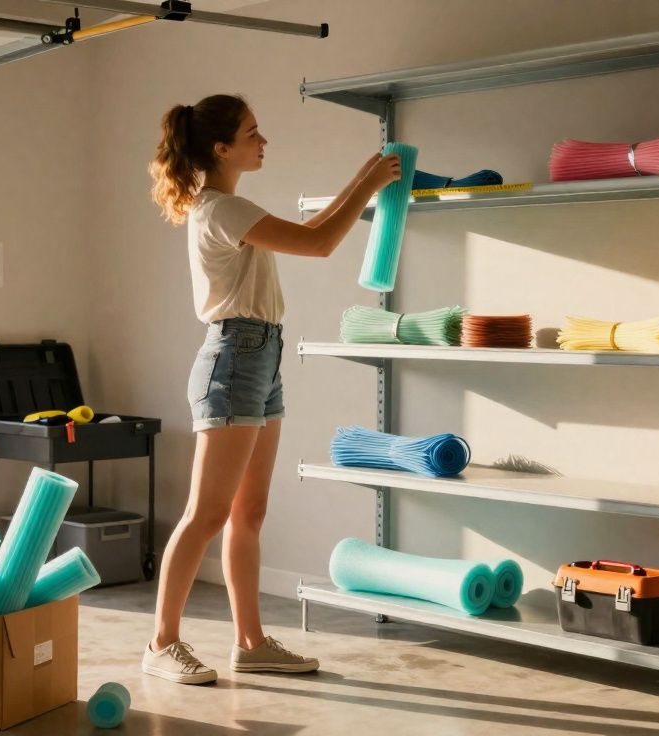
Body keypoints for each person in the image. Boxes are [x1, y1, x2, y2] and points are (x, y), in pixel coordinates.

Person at [142, 93, 402, 684]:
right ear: (221, 147)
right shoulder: (221, 210)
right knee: (206, 514)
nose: (264, 142)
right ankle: (161, 643)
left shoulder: (231, 207)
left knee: (248, 512)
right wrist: (368, 180)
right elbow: (318, 243)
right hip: (234, 359)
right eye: (253, 133)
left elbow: (312, 231)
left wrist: (366, 175)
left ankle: (250, 641)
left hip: (260, 358)